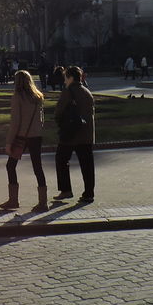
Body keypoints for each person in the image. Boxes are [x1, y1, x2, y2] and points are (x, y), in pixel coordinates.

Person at [0, 70, 48, 212]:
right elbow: (41, 119)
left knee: (10, 166)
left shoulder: (17, 97)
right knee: (37, 168)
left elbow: (15, 122)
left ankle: (13, 200)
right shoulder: (38, 97)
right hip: (36, 136)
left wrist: (9, 142)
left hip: (21, 137)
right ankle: (43, 202)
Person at [53, 66, 95, 204]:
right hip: (86, 134)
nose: (64, 80)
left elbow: (58, 111)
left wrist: (59, 121)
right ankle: (89, 193)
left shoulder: (68, 91)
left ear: (70, 78)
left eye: (66, 77)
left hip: (70, 134)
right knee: (87, 165)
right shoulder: (87, 91)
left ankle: (66, 190)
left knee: (61, 159)